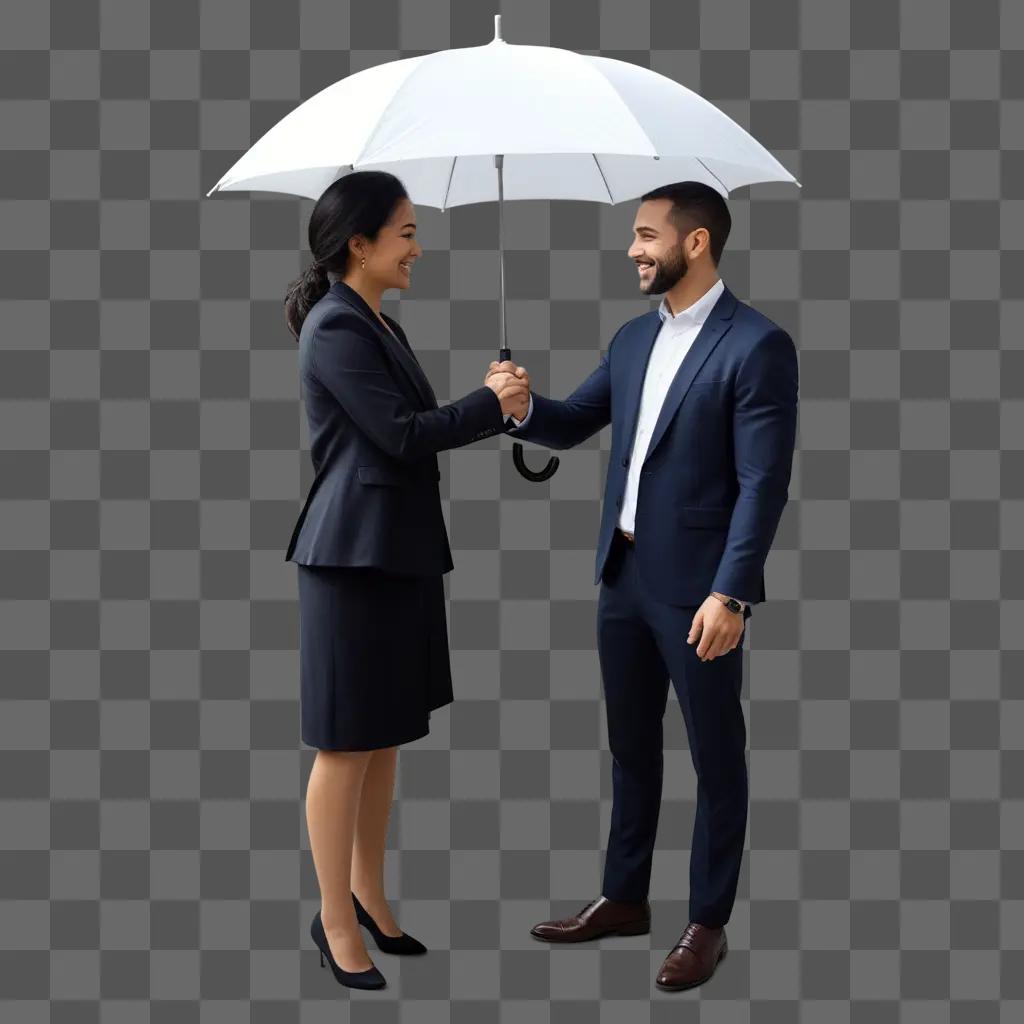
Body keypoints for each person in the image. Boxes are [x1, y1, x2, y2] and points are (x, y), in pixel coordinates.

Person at [493, 181, 799, 992]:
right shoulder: (631, 339)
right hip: (621, 577)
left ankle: (706, 920)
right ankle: (625, 898)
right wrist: (521, 409)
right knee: (631, 749)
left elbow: (763, 482)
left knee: (714, 754)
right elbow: (572, 422)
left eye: (646, 235)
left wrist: (732, 593)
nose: (633, 249)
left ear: (695, 243)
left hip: (699, 590)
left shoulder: (756, 344)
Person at [283, 170, 529, 990]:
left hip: (396, 552)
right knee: (344, 744)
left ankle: (370, 898)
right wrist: (489, 404)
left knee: (383, 735)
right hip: (352, 557)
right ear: (361, 243)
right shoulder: (335, 328)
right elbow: (398, 435)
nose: (419, 247)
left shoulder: (375, 322)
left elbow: (413, 430)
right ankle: (334, 920)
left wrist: (492, 404)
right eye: (407, 233)